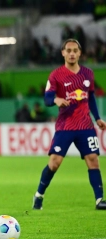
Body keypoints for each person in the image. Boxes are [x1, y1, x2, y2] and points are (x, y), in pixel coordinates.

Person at [32, 39, 106, 210]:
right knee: (54, 162)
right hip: (65, 126)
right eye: (68, 50)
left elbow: (91, 97)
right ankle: (39, 195)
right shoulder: (56, 75)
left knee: (93, 160)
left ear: (80, 53)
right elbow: (47, 99)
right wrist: (56, 99)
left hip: (85, 126)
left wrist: (97, 118)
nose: (72, 53)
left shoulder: (88, 74)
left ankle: (99, 200)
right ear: (63, 53)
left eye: (75, 50)